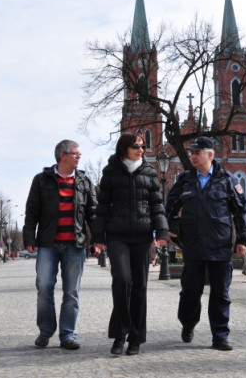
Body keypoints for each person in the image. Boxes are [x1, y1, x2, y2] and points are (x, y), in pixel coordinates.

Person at [166, 136, 246, 351]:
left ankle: (220, 336)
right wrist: (170, 230)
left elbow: (241, 211)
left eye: (197, 152)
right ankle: (188, 323)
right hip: (192, 245)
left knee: (220, 293)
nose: (193, 156)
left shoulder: (227, 180)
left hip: (220, 246)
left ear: (210, 155)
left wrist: (242, 239)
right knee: (190, 292)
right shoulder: (185, 180)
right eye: (192, 153)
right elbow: (169, 208)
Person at [91, 132, 169, 356]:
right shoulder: (111, 171)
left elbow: (157, 205)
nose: (141, 150)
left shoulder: (149, 172)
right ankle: (119, 333)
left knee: (140, 287)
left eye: (143, 146)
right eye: (136, 146)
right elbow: (102, 207)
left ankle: (136, 337)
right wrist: (98, 237)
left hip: (143, 236)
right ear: (124, 147)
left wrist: (162, 230)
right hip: (117, 236)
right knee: (122, 281)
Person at [23, 140, 96, 350]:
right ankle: (45, 331)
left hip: (75, 245)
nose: (79, 156)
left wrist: (98, 240)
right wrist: (29, 238)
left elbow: (92, 213)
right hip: (48, 244)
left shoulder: (84, 181)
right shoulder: (41, 180)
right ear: (62, 156)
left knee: (71, 292)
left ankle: (67, 335)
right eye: (75, 153)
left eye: (79, 153)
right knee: (44, 286)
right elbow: (32, 212)